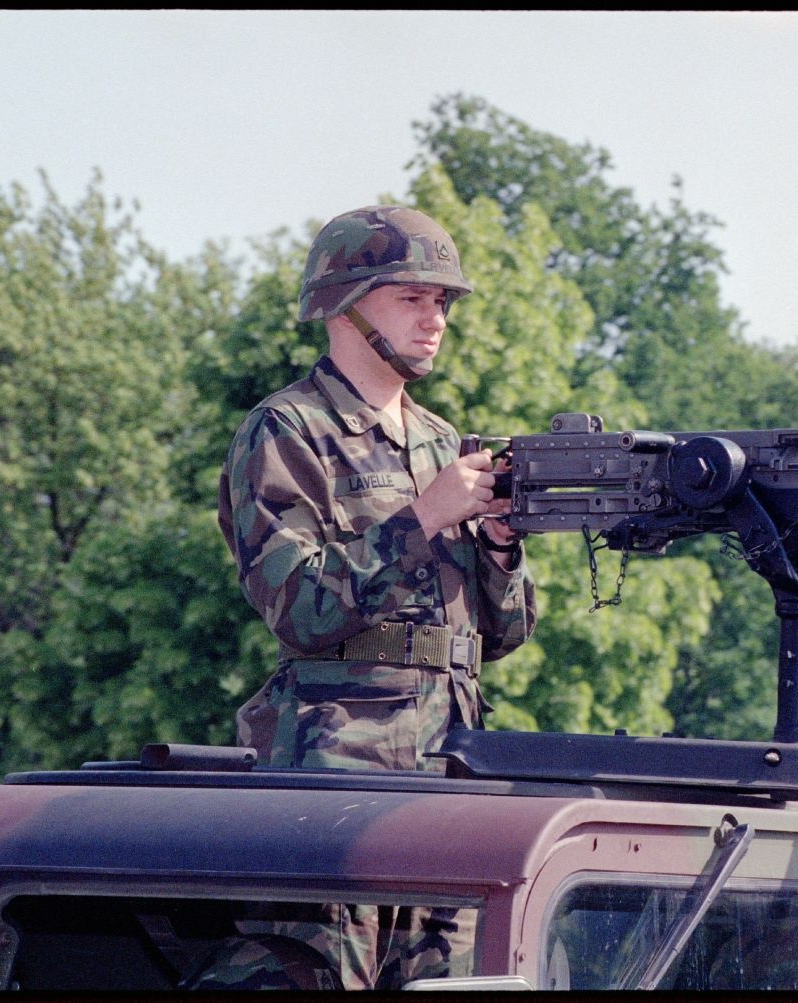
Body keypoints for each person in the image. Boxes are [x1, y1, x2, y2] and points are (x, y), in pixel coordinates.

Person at [216, 204, 536, 988]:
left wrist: (498, 547)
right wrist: (424, 515)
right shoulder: (289, 430)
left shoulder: (440, 438)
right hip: (338, 769)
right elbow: (297, 607)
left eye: (444, 303)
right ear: (345, 305)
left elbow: (503, 631)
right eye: (413, 298)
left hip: (451, 769)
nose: (435, 321)